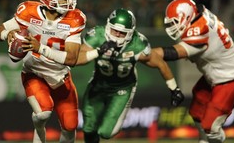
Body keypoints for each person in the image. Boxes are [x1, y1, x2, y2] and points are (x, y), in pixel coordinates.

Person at [0, 0, 86, 143]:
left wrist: (40, 48)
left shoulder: (75, 18)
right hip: (34, 73)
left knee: (70, 125)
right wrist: (8, 34)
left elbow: (71, 59)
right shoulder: (28, 12)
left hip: (60, 76)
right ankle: (38, 129)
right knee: (43, 113)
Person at [76, 8, 184, 143]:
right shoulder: (97, 35)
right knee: (88, 127)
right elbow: (76, 59)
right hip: (99, 83)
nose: (116, 35)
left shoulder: (138, 44)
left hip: (122, 88)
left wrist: (174, 89)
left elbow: (160, 63)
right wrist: (98, 51)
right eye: (114, 30)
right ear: (108, 25)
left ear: (130, 33)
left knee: (106, 132)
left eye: (122, 33)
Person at [152, 0, 234, 143]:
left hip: (232, 77)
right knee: (197, 110)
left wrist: (145, 53)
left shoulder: (200, 29)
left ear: (187, 17)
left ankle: (216, 138)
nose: (172, 27)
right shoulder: (198, 13)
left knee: (210, 126)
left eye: (175, 22)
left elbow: (172, 53)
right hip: (218, 73)